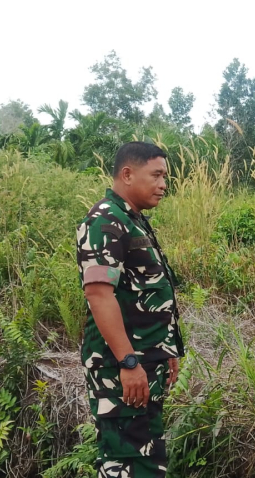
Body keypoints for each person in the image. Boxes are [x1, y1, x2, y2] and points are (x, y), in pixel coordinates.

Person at [76, 141, 185, 478]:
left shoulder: (134, 220)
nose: (163, 184)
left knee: (145, 459)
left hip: (144, 364)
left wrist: (165, 352)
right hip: (120, 368)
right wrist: (129, 361)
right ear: (127, 174)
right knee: (126, 463)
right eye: (156, 175)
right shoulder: (105, 221)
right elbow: (99, 295)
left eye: (164, 176)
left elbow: (143, 294)